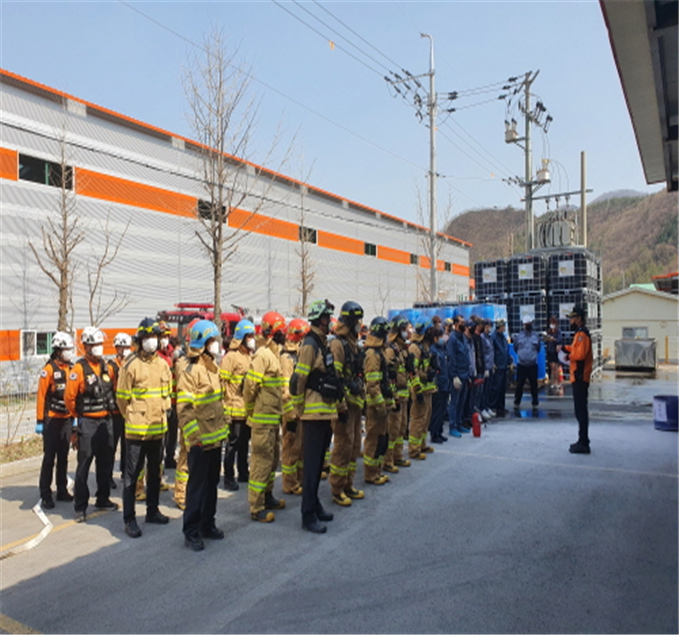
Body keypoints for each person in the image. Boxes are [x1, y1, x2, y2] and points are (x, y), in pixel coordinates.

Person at [116, 318, 172, 538]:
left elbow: (167, 394)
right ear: (139, 340)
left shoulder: (163, 365)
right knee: (132, 476)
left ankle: (152, 511)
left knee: (155, 473)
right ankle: (129, 519)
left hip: (157, 429)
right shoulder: (130, 364)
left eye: (154, 337)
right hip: (137, 431)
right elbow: (122, 398)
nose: (151, 341)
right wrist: (132, 416)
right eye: (147, 337)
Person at [176, 319, 229, 551]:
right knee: (196, 488)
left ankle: (208, 524)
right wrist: (193, 439)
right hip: (199, 442)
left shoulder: (213, 367)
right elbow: (185, 408)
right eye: (212, 340)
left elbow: (217, 402)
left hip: (214, 439)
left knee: (211, 485)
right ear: (202, 343)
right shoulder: (190, 370)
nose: (216, 344)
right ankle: (191, 531)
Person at [290, 299, 339, 534]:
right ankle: (307, 514)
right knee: (311, 468)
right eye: (327, 318)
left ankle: (315, 504)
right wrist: (297, 409)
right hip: (312, 414)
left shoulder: (322, 343)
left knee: (319, 464)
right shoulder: (310, 344)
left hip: (325, 413)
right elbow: (299, 378)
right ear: (320, 319)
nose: (330, 321)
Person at [64, 326, 118, 523]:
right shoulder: (78, 369)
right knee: (84, 464)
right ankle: (80, 507)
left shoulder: (107, 367)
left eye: (100, 344)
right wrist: (77, 418)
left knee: (105, 463)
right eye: (94, 344)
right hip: (88, 422)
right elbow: (69, 398)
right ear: (86, 346)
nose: (98, 347)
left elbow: (114, 389)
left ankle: (103, 498)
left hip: (106, 421)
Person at [243, 311, 287, 523]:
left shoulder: (274, 355)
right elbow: (250, 386)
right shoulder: (262, 355)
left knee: (271, 460)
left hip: (273, 419)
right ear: (272, 332)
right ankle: (256, 506)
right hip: (262, 421)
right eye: (281, 331)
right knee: (261, 463)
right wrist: (251, 410)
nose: (284, 334)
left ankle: (268, 496)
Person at [328, 301, 366, 506]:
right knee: (342, 447)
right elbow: (336, 378)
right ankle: (337, 488)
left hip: (355, 404)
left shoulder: (353, 344)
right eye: (357, 321)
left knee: (353, 446)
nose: (360, 324)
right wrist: (340, 406)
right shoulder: (338, 345)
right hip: (344, 406)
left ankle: (348, 484)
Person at [36, 331, 76, 509]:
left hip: (66, 420)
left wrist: (75, 418)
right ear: (58, 350)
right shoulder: (49, 370)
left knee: (63, 457)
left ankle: (61, 490)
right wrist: (39, 420)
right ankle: (45, 493)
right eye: (66, 349)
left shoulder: (71, 369)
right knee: (49, 458)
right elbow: (41, 396)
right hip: (52, 420)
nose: (69, 352)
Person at [220, 319, 255, 491]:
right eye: (249, 336)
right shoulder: (231, 357)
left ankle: (243, 472)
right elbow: (222, 382)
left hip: (247, 409)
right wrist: (224, 406)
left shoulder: (250, 357)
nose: (252, 340)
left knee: (244, 443)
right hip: (234, 408)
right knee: (232, 444)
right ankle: (228, 477)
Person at [362, 316, 394, 485]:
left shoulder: (380, 352)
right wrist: (380, 405)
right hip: (375, 407)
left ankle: (377, 471)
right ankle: (370, 474)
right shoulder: (372, 355)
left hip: (382, 404)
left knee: (382, 439)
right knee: (373, 440)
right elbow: (373, 385)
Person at [280, 318, 309, 496]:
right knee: (290, 448)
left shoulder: (298, 355)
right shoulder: (286, 358)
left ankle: (299, 478)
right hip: (291, 411)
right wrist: (290, 414)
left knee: (300, 447)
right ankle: (289, 483)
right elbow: (285, 389)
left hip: (300, 409)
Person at [561, 306, 593, 454]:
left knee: (581, 410)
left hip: (580, 376)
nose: (570, 321)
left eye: (572, 318)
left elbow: (579, 355)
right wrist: (565, 348)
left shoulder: (582, 334)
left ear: (579, 318)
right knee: (579, 410)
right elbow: (576, 349)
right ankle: (582, 439)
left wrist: (568, 356)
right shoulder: (579, 334)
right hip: (578, 376)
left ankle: (584, 442)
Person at [383, 314, 412, 471]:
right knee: (392, 429)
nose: (407, 332)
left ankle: (398, 456)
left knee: (401, 427)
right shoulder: (390, 350)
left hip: (404, 394)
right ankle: (388, 461)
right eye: (404, 329)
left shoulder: (402, 349)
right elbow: (389, 376)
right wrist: (394, 397)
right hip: (396, 395)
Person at [408, 319, 436, 460]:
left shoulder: (425, 346)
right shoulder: (415, 348)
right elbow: (412, 371)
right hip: (420, 389)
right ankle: (414, 449)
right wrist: (417, 389)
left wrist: (432, 369)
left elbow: (424, 367)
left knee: (426, 419)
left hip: (427, 389)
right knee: (418, 420)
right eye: (430, 330)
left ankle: (422, 444)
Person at [109, 332, 132, 490]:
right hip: (115, 413)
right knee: (111, 446)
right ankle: (108, 475)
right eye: (120, 347)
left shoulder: (131, 364)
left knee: (127, 445)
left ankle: (125, 472)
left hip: (128, 411)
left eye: (126, 347)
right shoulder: (111, 366)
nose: (123, 350)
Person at [446, 316, 471, 437]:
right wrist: (454, 376)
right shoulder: (452, 339)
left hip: (464, 374)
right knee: (454, 402)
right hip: (457, 375)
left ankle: (459, 423)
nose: (464, 324)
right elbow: (451, 358)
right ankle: (453, 426)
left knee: (462, 401)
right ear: (455, 324)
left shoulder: (463, 338)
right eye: (462, 322)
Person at [512, 315, 542, 409]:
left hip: (533, 364)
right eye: (526, 324)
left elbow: (538, 348)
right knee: (519, 384)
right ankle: (517, 402)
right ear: (524, 325)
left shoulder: (536, 336)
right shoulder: (519, 336)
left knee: (534, 385)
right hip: (522, 364)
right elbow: (515, 347)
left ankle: (535, 402)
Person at [429, 324, 449, 443]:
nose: (442, 338)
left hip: (444, 382)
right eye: (440, 336)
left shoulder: (441, 349)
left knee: (442, 410)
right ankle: (434, 433)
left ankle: (439, 432)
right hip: (438, 384)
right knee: (436, 410)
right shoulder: (433, 350)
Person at [490, 319, 510, 417]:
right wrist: (493, 363)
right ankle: (493, 406)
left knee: (502, 388)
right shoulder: (493, 337)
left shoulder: (502, 337)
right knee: (496, 388)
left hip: (504, 365)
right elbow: (492, 351)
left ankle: (501, 407)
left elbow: (505, 350)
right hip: (498, 366)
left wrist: (509, 360)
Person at [480, 319, 495, 420]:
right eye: (489, 326)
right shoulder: (482, 338)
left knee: (488, 389)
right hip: (485, 366)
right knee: (483, 389)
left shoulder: (489, 337)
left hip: (490, 365)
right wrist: (484, 367)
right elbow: (482, 353)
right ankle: (482, 408)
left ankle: (486, 406)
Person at [545, 316, 563, 395]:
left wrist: (553, 339)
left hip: (555, 351)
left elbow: (559, 340)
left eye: (553, 323)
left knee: (555, 366)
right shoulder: (549, 331)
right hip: (550, 350)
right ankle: (554, 381)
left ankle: (558, 382)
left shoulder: (558, 332)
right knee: (551, 367)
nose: (551, 325)